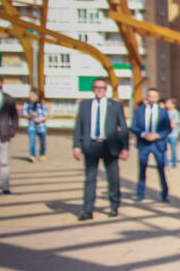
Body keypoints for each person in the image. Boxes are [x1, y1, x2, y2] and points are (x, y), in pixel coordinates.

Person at [71, 77, 129, 219]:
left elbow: (123, 129)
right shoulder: (85, 105)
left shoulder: (115, 106)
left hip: (110, 146)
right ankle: (87, 210)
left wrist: (125, 147)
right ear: (93, 89)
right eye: (97, 87)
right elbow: (78, 126)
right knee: (90, 178)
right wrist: (76, 146)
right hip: (91, 145)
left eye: (102, 88)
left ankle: (114, 205)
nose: (99, 90)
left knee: (113, 178)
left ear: (106, 89)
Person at [130, 87, 171, 202]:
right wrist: (143, 134)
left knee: (161, 170)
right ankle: (140, 193)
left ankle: (164, 193)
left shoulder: (163, 112)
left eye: (154, 96)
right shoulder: (140, 110)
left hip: (158, 144)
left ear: (158, 98)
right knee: (142, 169)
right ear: (147, 97)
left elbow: (168, 129)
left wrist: (157, 135)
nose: (152, 98)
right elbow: (134, 126)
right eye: (150, 96)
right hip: (144, 144)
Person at [0, 73, 17, 194]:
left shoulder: (8, 99)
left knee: (3, 162)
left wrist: (11, 131)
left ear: (1, 83)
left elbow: (13, 117)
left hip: (3, 133)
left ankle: (5, 187)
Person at [23, 89, 49, 162]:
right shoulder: (27, 105)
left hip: (41, 127)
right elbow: (25, 115)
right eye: (30, 95)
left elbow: (47, 115)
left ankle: (42, 154)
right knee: (32, 142)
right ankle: (32, 155)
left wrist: (41, 120)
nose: (31, 97)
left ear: (37, 96)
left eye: (33, 96)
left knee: (43, 142)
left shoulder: (42, 105)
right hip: (32, 127)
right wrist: (31, 115)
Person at [165, 98, 180, 169]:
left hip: (173, 135)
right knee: (164, 150)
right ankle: (166, 164)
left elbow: (173, 124)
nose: (166, 104)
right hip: (165, 135)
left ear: (173, 104)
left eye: (168, 103)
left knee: (173, 149)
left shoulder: (176, 113)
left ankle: (174, 164)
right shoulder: (165, 112)